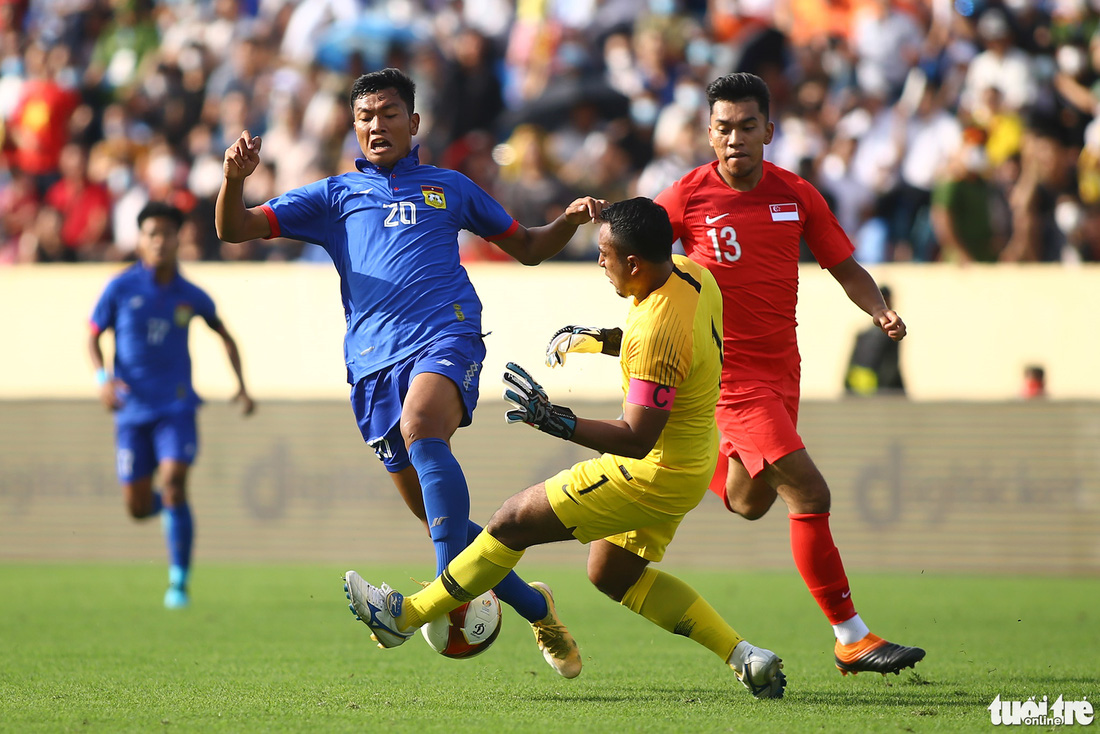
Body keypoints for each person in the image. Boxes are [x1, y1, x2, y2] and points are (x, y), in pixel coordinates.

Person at [215, 67, 607, 676]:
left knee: (424, 426)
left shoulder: (449, 187)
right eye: (366, 116)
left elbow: (528, 247)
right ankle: (537, 608)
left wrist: (569, 222)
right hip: (371, 367)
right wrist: (232, 182)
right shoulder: (332, 197)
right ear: (354, 126)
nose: (377, 125)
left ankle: (427, 601)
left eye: (389, 113)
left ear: (414, 123)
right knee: (434, 512)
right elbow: (233, 228)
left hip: (446, 336)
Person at [343, 198, 787, 700]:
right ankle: (745, 656)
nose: (600, 263)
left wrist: (557, 421)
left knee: (511, 522)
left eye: (605, 255)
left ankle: (405, 615)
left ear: (634, 263)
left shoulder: (658, 331)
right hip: (690, 458)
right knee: (612, 574)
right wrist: (599, 340)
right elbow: (669, 353)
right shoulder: (691, 274)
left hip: (651, 470)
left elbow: (637, 436)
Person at [653, 72, 924, 676]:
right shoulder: (687, 196)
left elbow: (844, 264)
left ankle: (690, 459)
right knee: (810, 492)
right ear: (709, 132)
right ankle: (851, 636)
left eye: (748, 126)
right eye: (723, 128)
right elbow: (635, 244)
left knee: (750, 503)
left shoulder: (796, 194)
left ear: (769, 131)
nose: (735, 139)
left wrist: (878, 307)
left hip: (782, 372)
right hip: (729, 378)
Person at [89, 201, 255, 608]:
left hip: (177, 407)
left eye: (167, 233)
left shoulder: (191, 295)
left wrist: (241, 386)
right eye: (151, 234)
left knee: (176, 481)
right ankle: (169, 509)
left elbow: (225, 335)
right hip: (131, 411)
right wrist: (103, 380)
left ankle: (178, 582)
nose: (159, 241)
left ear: (179, 238)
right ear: (140, 240)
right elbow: (91, 336)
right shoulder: (120, 288)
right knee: (137, 506)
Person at [844, 286, 906, 396]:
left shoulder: (862, 334)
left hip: (860, 393)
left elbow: (850, 368)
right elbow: (890, 368)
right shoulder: (891, 334)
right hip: (880, 393)